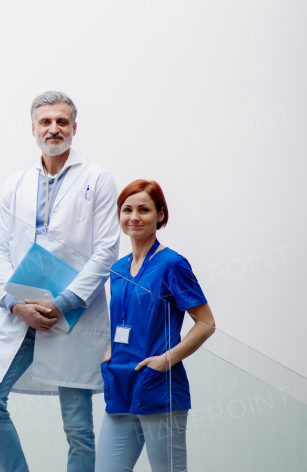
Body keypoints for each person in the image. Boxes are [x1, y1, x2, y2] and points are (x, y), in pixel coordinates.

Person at [0, 91, 119, 472]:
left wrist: (64, 302)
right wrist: (15, 305)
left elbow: (106, 252)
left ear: (74, 127)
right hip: (20, 310)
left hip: (72, 316)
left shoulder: (98, 180)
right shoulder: (16, 183)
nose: (53, 129)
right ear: (33, 128)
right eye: (46, 122)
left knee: (78, 429)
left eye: (61, 121)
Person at [95, 180, 216, 472]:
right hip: (121, 383)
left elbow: (206, 323)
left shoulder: (172, 264)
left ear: (160, 215)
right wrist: (109, 348)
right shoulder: (118, 268)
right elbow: (124, 319)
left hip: (159, 387)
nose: (134, 216)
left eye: (144, 209)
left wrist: (165, 360)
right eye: (127, 209)